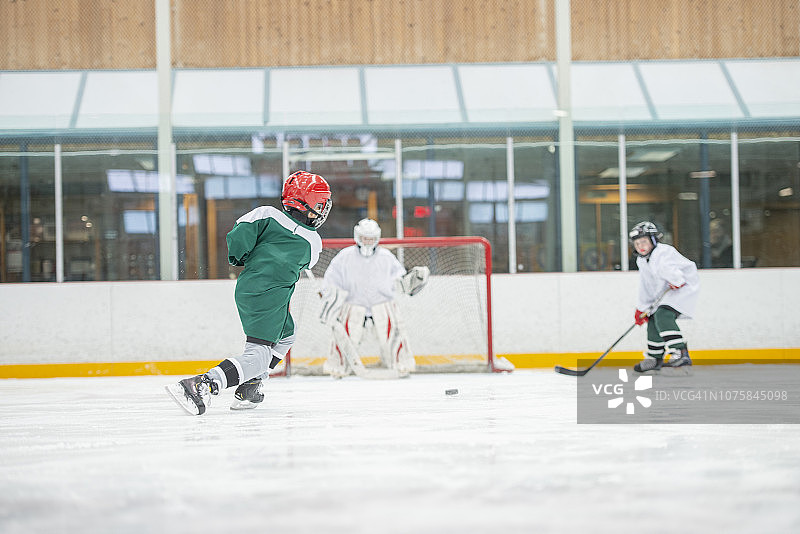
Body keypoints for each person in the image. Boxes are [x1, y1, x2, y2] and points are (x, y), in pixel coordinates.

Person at [166, 170, 332, 415]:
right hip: (263, 293)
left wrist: (244, 256)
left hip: (266, 293)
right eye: (320, 202)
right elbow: (304, 261)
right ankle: (202, 384)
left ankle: (250, 385)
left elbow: (239, 237)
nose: (323, 208)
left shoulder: (266, 216)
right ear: (304, 201)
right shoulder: (309, 240)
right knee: (258, 356)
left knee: (287, 336)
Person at [318, 218, 429, 378]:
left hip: (383, 305)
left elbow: (401, 280)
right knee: (344, 339)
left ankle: (401, 365)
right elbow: (331, 278)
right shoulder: (345, 256)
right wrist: (328, 294)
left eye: (371, 239)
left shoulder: (386, 256)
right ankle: (338, 367)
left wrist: (414, 280)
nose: (368, 242)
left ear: (377, 238)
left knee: (395, 336)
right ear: (358, 237)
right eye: (365, 238)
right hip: (353, 305)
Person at [629, 221, 699, 374]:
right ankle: (655, 357)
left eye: (644, 242)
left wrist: (677, 280)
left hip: (683, 287)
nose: (641, 246)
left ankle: (680, 351)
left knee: (663, 314)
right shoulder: (641, 260)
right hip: (668, 291)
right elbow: (646, 285)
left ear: (653, 240)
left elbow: (670, 270)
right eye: (637, 243)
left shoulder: (662, 252)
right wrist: (642, 308)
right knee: (653, 318)